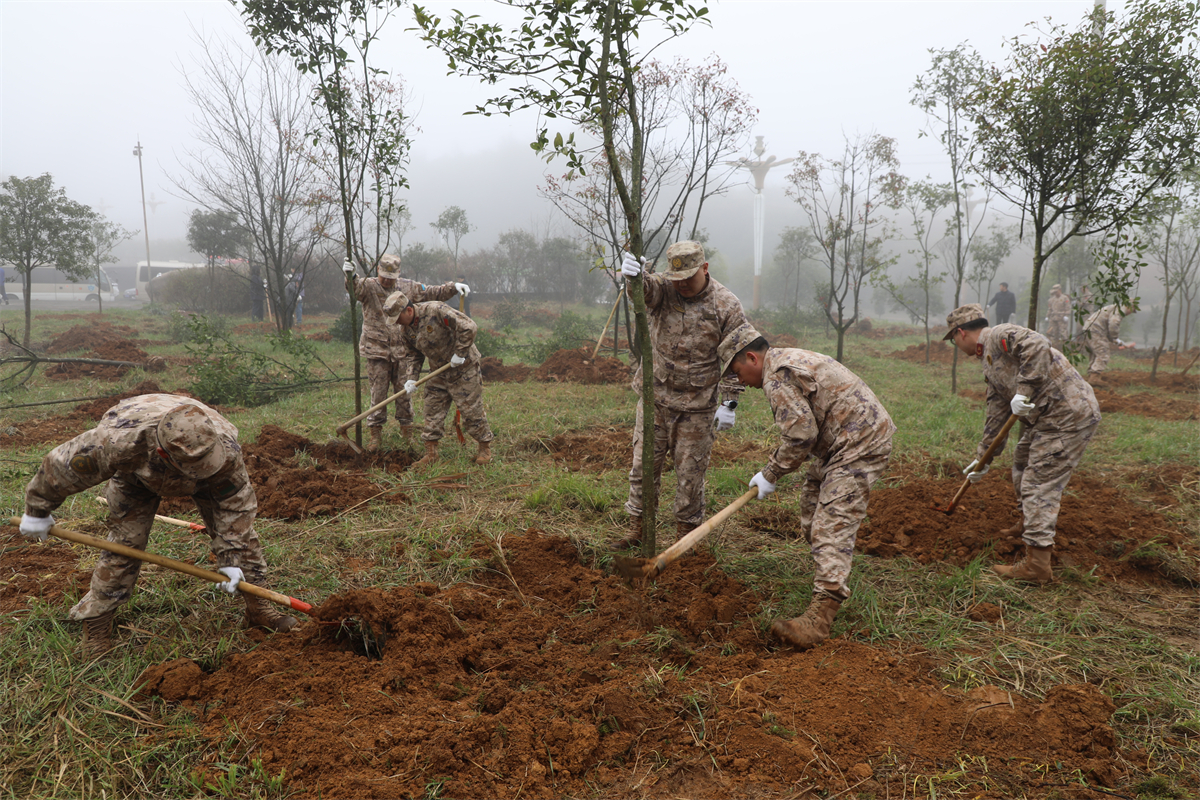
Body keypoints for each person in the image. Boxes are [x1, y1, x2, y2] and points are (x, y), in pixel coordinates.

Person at [18, 394, 299, 657]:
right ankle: (97, 621)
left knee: (243, 538)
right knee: (125, 544)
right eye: (194, 464)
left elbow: (236, 504)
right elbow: (61, 467)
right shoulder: (119, 441)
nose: (201, 468)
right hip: (136, 477)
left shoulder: (223, 451)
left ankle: (260, 607)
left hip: (210, 475)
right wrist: (37, 511)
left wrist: (231, 557)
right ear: (164, 453)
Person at [719, 323, 895, 649]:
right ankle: (829, 566)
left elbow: (801, 436)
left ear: (752, 357)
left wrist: (770, 474)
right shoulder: (782, 360)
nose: (738, 380)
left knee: (831, 518)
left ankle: (820, 616)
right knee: (812, 503)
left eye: (736, 370)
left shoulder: (776, 377)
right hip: (840, 439)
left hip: (859, 439)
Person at [944, 304, 1100, 584]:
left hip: (1067, 414)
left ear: (960, 333)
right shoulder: (990, 364)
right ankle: (1028, 521)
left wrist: (1025, 389)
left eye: (952, 339)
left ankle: (1038, 567)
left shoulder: (999, 335)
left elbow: (1038, 344)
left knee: (1038, 483)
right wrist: (983, 459)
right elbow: (996, 414)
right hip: (1047, 419)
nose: (955, 344)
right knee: (1021, 459)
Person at [614, 241, 748, 550]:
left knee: (690, 475)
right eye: (678, 278)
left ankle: (684, 541)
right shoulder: (666, 288)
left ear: (705, 268)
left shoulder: (726, 304)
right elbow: (647, 292)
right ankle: (639, 529)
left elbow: (736, 354)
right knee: (642, 468)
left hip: (698, 408)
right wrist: (636, 277)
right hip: (656, 400)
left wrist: (730, 402)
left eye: (690, 277)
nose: (683, 284)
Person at [343, 254, 470, 452]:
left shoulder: (408, 287)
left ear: (398, 273)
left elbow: (432, 292)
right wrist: (350, 277)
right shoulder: (368, 286)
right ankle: (375, 435)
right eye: (384, 275)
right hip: (376, 350)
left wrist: (453, 287)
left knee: (404, 394)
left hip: (403, 351)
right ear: (378, 271)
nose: (387, 280)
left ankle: (407, 433)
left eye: (391, 277)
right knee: (377, 395)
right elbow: (354, 290)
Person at [385, 290, 494, 468]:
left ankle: (484, 448)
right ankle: (431, 454)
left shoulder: (436, 310)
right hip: (439, 371)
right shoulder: (405, 330)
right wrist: (411, 378)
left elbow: (469, 326)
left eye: (398, 317)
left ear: (409, 311)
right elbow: (413, 355)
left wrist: (460, 353)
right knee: (431, 409)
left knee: (471, 411)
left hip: (463, 368)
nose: (396, 322)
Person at [1079, 302, 1134, 383]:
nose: (1130, 313)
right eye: (1133, 310)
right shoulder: (1121, 308)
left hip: (1089, 328)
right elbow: (1113, 323)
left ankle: (1092, 375)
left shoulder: (1114, 307)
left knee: (1095, 353)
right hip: (1096, 329)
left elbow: (1108, 328)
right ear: (1130, 306)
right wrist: (1115, 337)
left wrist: (1118, 341)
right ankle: (1094, 378)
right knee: (1103, 353)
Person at [1044, 284, 1071, 348]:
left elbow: (1068, 308)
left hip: (1062, 318)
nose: (1055, 293)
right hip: (1053, 318)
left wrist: (1066, 315)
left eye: (1056, 291)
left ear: (1060, 290)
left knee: (1063, 333)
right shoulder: (1051, 299)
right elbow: (1050, 309)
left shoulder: (1065, 298)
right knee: (1053, 333)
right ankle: (1054, 347)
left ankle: (1065, 347)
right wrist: (1047, 316)